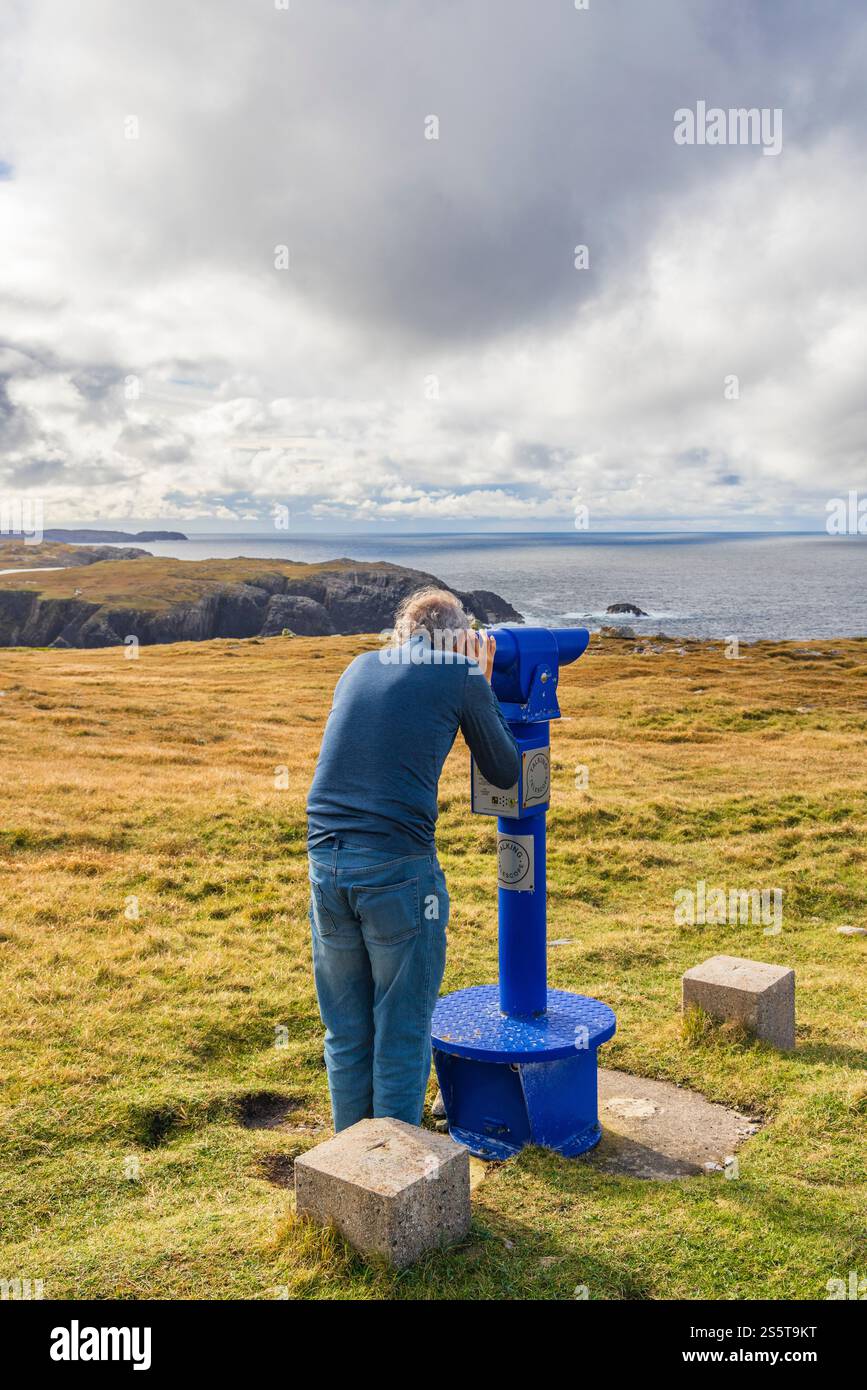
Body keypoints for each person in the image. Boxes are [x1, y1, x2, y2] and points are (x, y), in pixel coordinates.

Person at [306, 587, 519, 1131]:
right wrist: (481, 682)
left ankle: (349, 1171)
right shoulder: (463, 674)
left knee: (347, 1031)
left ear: (402, 635)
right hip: (398, 869)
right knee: (400, 1030)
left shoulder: (357, 666)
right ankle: (392, 1180)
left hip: (326, 865)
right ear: (462, 638)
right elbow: (505, 770)